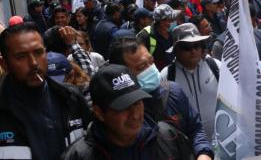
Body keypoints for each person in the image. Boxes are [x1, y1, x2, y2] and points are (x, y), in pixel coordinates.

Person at [108, 37, 214, 159]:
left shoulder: (173, 91)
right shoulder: (118, 113)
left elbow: (195, 129)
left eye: (151, 62)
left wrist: (203, 153)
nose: (151, 69)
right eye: (142, 67)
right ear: (123, 75)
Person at [61, 64, 195, 160]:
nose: (135, 115)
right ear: (99, 113)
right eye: (123, 107)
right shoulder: (79, 156)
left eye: (137, 103)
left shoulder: (169, 137)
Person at [0, 22, 91, 160]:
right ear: (4, 64)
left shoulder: (71, 98)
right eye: (21, 57)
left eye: (38, 52)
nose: (34, 63)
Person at [160, 23, 220, 141]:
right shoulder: (166, 76)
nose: (193, 51)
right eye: (186, 47)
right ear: (176, 50)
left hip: (221, 140)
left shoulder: (216, 67)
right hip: (188, 145)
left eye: (196, 45)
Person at [137, 4, 179, 70]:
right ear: (162, 22)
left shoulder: (174, 32)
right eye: (172, 19)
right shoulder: (146, 36)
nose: (175, 21)